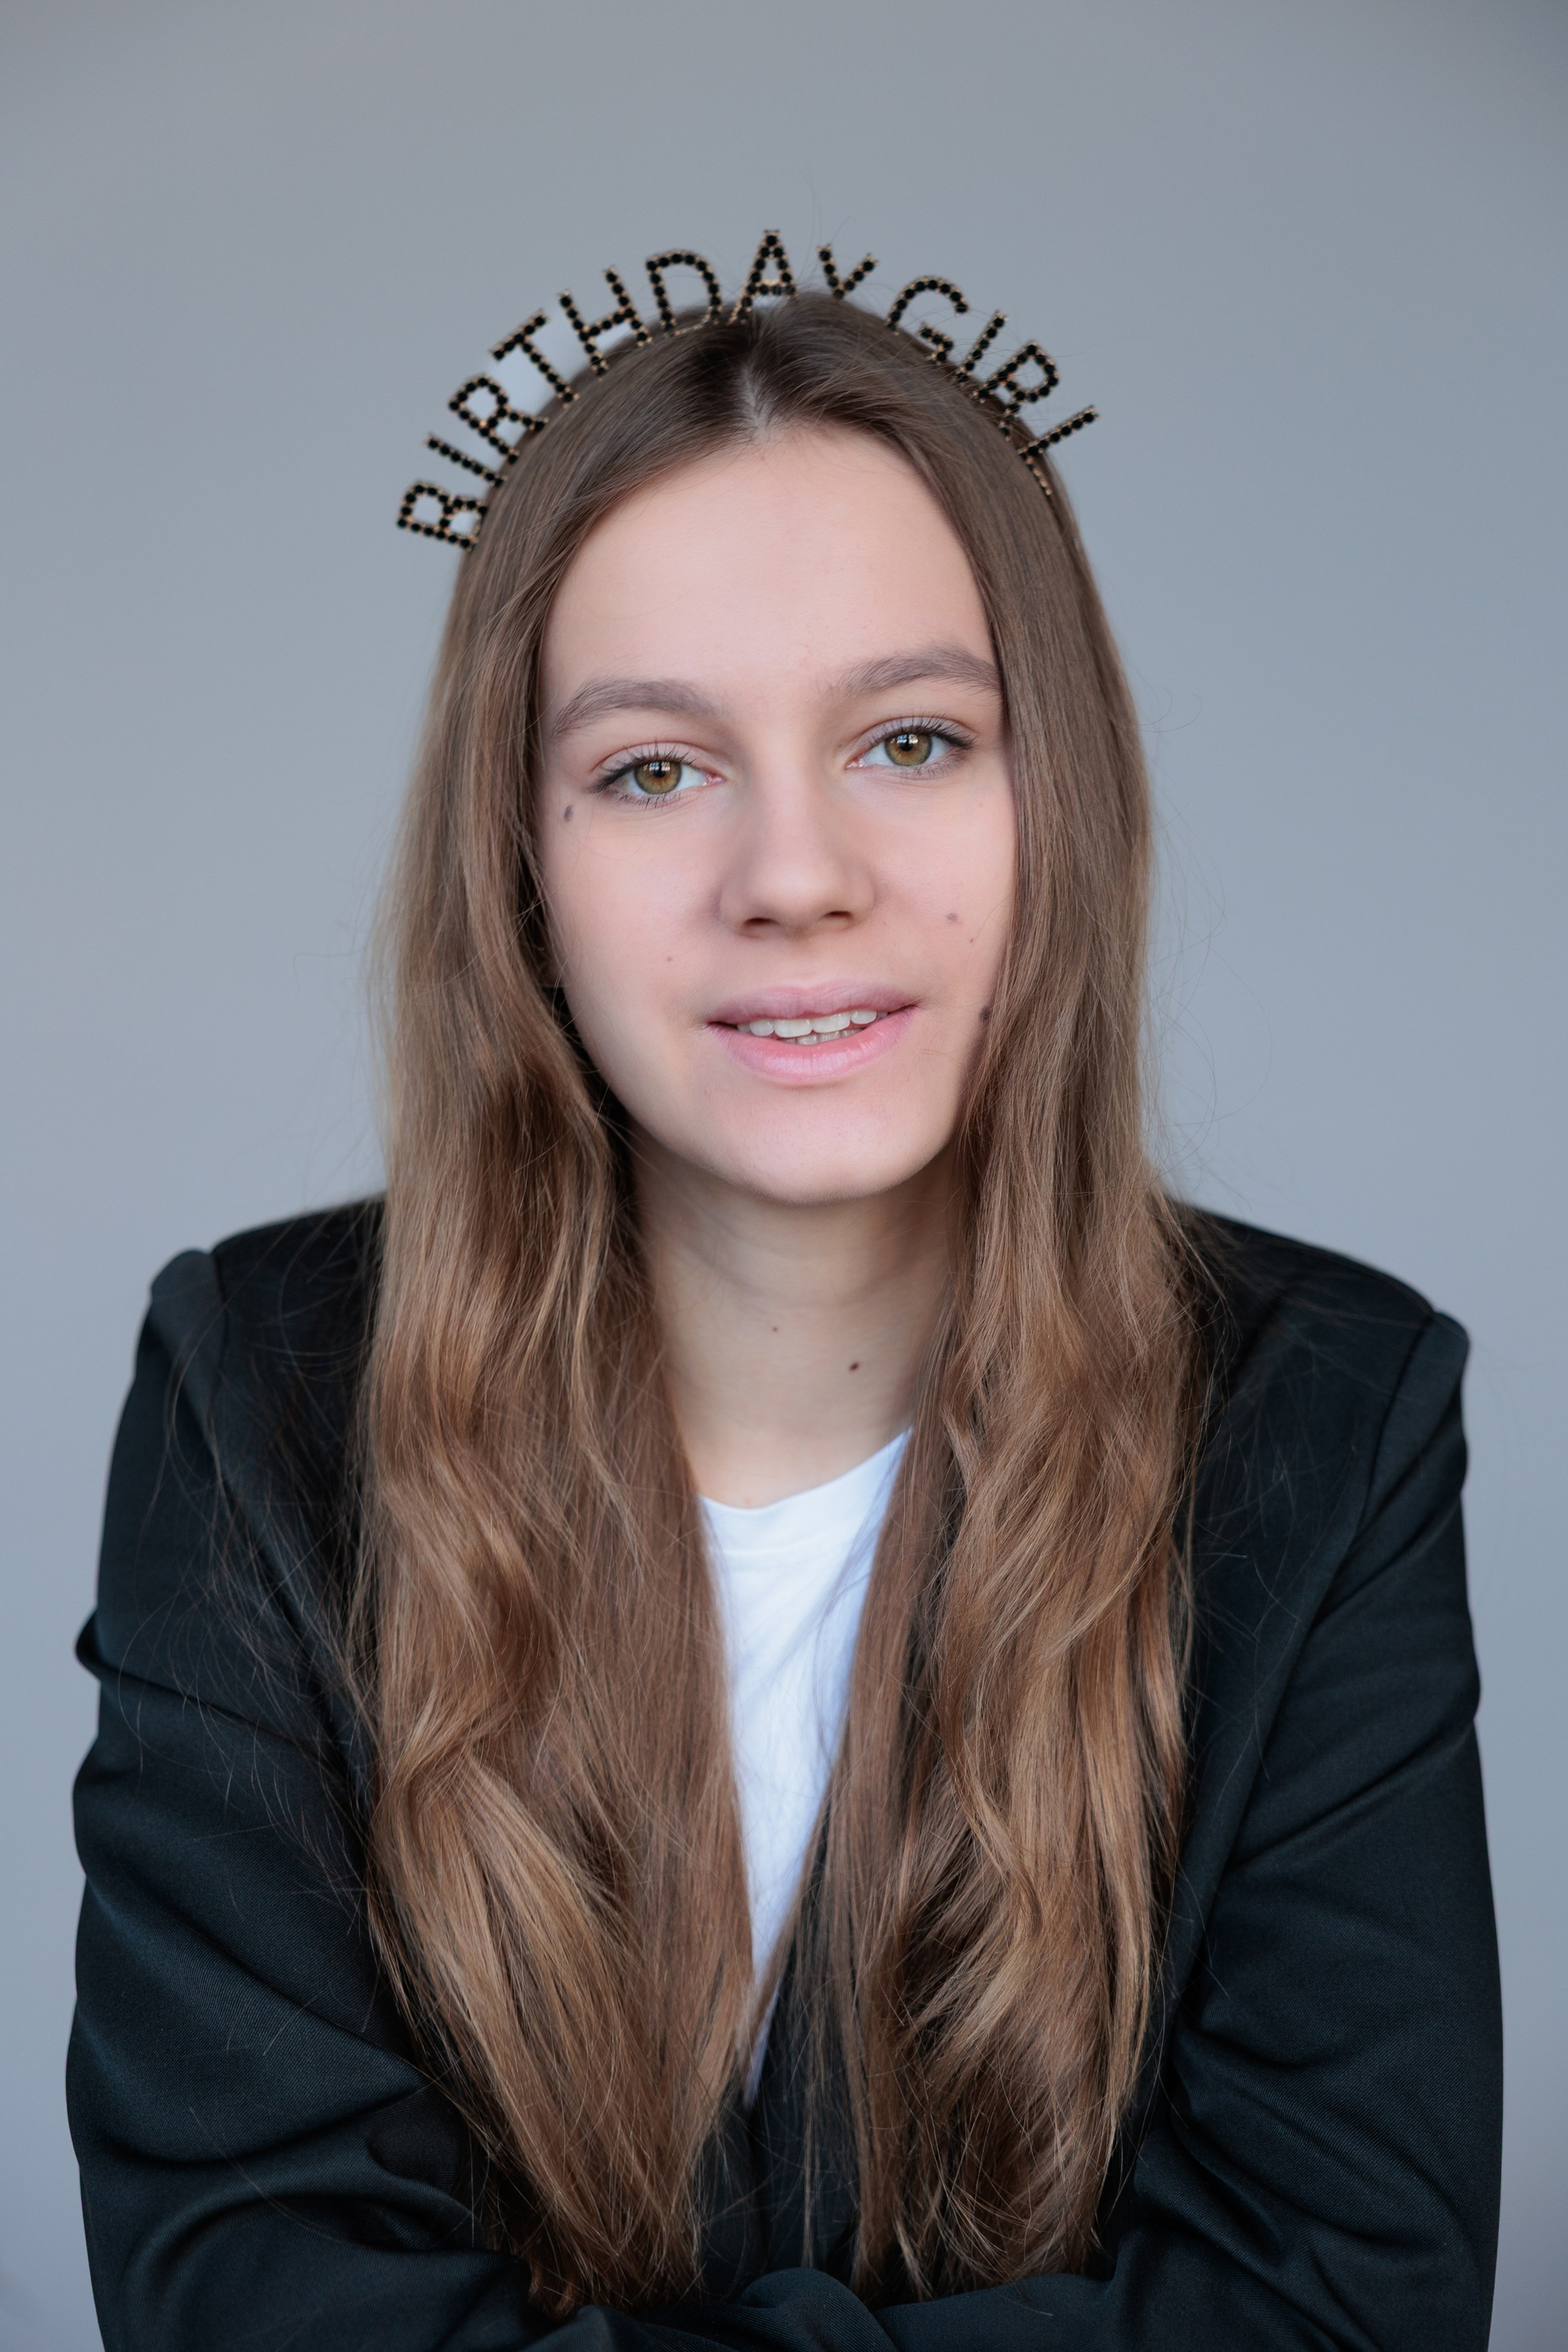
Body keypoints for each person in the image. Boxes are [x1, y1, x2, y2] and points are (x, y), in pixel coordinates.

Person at [68, 247, 1502, 2352]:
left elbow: (1345, 2303)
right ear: (520, 861)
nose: (798, 875)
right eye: (657, 769)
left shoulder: (1323, 1416)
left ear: (1056, 802)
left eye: (911, 739)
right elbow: (245, 2289)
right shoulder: (261, 1399)